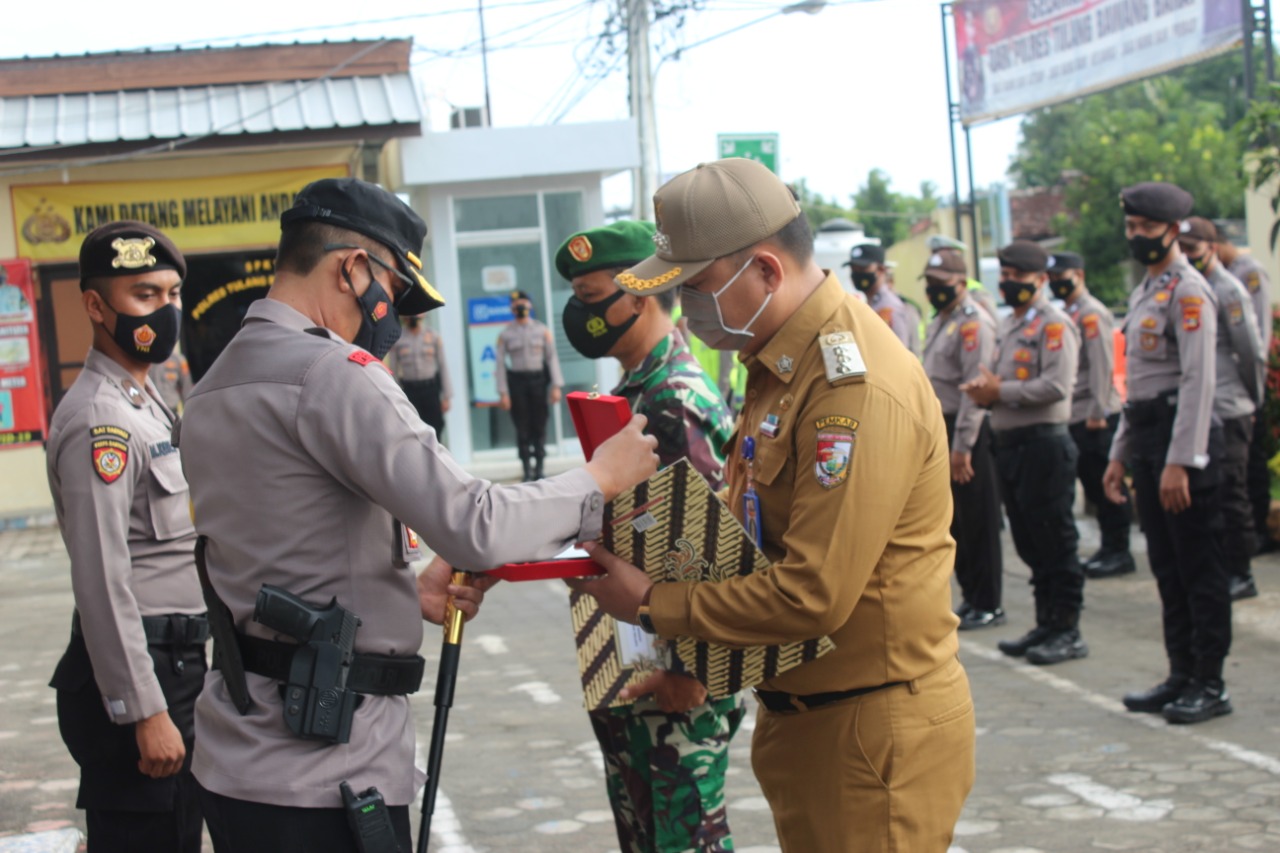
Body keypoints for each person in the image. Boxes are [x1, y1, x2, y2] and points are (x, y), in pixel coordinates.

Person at [179, 177, 658, 853]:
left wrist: (405, 590)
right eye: (396, 294)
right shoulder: (334, 373)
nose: (396, 320)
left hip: (236, 760)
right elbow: (473, 521)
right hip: (325, 770)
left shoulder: (215, 382)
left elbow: (279, 551)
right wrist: (599, 476)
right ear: (353, 268)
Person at [567, 158, 975, 853]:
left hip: (869, 730)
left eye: (694, 287)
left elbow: (813, 591)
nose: (686, 309)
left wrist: (652, 603)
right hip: (810, 720)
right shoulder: (777, 363)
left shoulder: (851, 385)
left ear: (764, 270)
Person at [556, 219, 746, 853]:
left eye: (590, 299)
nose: (581, 315)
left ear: (638, 296)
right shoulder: (634, 394)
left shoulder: (673, 401)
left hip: (676, 684)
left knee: (683, 843)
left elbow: (711, 552)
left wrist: (689, 670)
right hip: (640, 667)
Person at [46, 221, 208, 852]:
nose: (165, 311)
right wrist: (144, 711)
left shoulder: (145, 400)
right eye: (145, 296)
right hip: (144, 672)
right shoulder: (101, 420)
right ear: (95, 306)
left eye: (171, 294)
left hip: (175, 663)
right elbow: (102, 580)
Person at [1102, 182, 1232, 725]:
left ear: (1173, 231)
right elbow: (1139, 388)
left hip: (1186, 444)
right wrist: (1119, 455)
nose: (1137, 237)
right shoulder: (1145, 290)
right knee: (1167, 568)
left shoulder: (1189, 291)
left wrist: (1183, 460)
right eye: (1131, 228)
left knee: (1200, 568)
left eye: (1146, 229)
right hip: (1152, 437)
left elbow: (1199, 381)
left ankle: (1210, 682)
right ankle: (1180, 673)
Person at [963, 241, 1087, 666]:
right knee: (1030, 542)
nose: (1009, 282)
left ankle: (1068, 630)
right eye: (1006, 274)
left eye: (1018, 276)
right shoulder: (1011, 324)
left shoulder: (1054, 324)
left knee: (1056, 540)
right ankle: (1046, 623)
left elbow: (1057, 385)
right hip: (1012, 446)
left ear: (1040, 280)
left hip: (1044, 445)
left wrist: (1002, 392)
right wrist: (985, 394)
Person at [1178, 217, 1264, 601]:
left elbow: (1250, 352)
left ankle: (1241, 572)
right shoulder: (1188, 287)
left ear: (1211, 248)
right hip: (1203, 410)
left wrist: (1252, 400)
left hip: (1229, 408)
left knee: (1232, 494)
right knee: (1209, 497)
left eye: (1194, 251)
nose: (1187, 258)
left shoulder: (1229, 290)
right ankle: (1219, 567)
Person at [921, 251, 1004, 629]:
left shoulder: (974, 324)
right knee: (957, 523)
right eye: (930, 282)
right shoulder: (943, 320)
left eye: (942, 283)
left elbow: (975, 391)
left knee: (978, 520)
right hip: (945, 426)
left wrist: (963, 446)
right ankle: (972, 596)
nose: (934, 290)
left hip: (966, 430)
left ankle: (988, 602)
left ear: (960, 282)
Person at [1047, 252, 1135, 579]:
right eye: (1052, 276)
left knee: (1107, 485)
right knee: (1093, 486)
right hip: (1079, 412)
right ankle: (1110, 547)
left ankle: (1119, 550)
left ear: (1079, 274)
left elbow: (1102, 366)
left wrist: (1098, 411)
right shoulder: (1068, 312)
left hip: (1095, 414)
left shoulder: (1091, 314)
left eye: (1062, 274)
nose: (1057, 281)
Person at [1216, 238, 1276, 556]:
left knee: (1251, 464)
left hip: (1249, 383)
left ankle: (1260, 532)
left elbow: (1259, 336)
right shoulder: (1217, 274)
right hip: (1229, 386)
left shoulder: (1247, 272)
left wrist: (1258, 386)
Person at [496, 289, 564, 480]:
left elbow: (552, 359)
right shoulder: (505, 334)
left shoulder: (542, 330)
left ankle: (540, 468)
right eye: (516, 304)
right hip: (517, 383)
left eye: (523, 303)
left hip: (538, 382)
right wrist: (503, 392)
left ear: (530, 305)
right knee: (522, 426)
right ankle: (527, 469)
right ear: (511, 307)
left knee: (540, 425)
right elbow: (500, 364)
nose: (520, 306)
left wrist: (556, 386)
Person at [845, 244, 920, 356]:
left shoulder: (890, 307)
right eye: (853, 269)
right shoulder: (868, 304)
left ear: (880, 269)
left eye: (862, 269)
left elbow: (898, 355)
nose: (857, 274)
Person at [386, 315, 452, 437]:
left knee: (436, 425)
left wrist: (446, 396)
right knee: (414, 428)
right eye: (410, 316)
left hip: (430, 389)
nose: (413, 318)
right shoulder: (398, 339)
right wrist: (397, 396)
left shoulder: (433, 336)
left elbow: (443, 366)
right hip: (410, 391)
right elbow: (393, 370)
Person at [148, 346, 193, 413]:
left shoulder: (178, 359)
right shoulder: (147, 359)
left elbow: (186, 387)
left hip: (171, 408)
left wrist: (189, 411)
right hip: (151, 407)